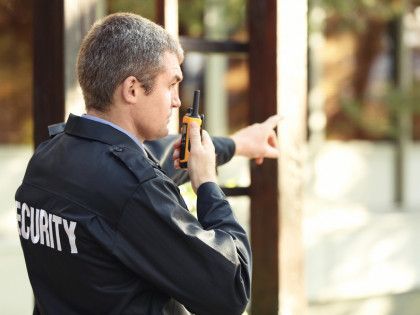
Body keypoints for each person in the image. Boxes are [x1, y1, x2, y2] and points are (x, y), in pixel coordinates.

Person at [16, 13, 280, 315]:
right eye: (171, 85)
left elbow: (158, 158)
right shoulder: (133, 189)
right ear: (132, 89)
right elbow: (231, 289)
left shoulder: (47, 158)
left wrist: (237, 144)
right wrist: (207, 184)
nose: (177, 101)